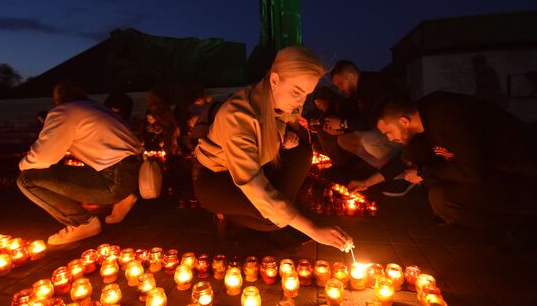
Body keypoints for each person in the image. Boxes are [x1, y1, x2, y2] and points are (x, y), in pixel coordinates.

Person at [194, 46, 353, 251]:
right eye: (297, 92)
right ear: (275, 79)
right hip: (216, 177)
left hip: (258, 163)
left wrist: (284, 136)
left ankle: (283, 218)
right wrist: (313, 229)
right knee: (269, 217)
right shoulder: (238, 116)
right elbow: (251, 182)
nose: (300, 101)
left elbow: (283, 125)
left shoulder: (282, 101)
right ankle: (228, 216)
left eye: (306, 94)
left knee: (301, 153)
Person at [374, 92, 537, 233]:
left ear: (403, 122)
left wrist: (424, 172)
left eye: (388, 132)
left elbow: (473, 172)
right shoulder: (423, 119)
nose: (389, 139)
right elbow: (408, 157)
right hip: (488, 170)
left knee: (441, 199)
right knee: (429, 177)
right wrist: (367, 182)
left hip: (517, 174)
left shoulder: (448, 116)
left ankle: (518, 224)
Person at [17, 83, 142, 245]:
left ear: (57, 99)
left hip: (115, 179)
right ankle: (122, 197)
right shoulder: (96, 108)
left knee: (26, 179)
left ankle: (82, 223)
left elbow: (43, 156)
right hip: (134, 173)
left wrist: (22, 165)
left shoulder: (64, 112)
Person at [326, 60, 402, 172]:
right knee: (343, 140)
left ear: (350, 76)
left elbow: (370, 120)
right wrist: (342, 129)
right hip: (377, 129)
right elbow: (356, 119)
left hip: (397, 132)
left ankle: (398, 172)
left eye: (340, 84)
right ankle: (380, 168)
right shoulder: (356, 93)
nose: (340, 89)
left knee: (369, 140)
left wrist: (343, 124)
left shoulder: (373, 84)